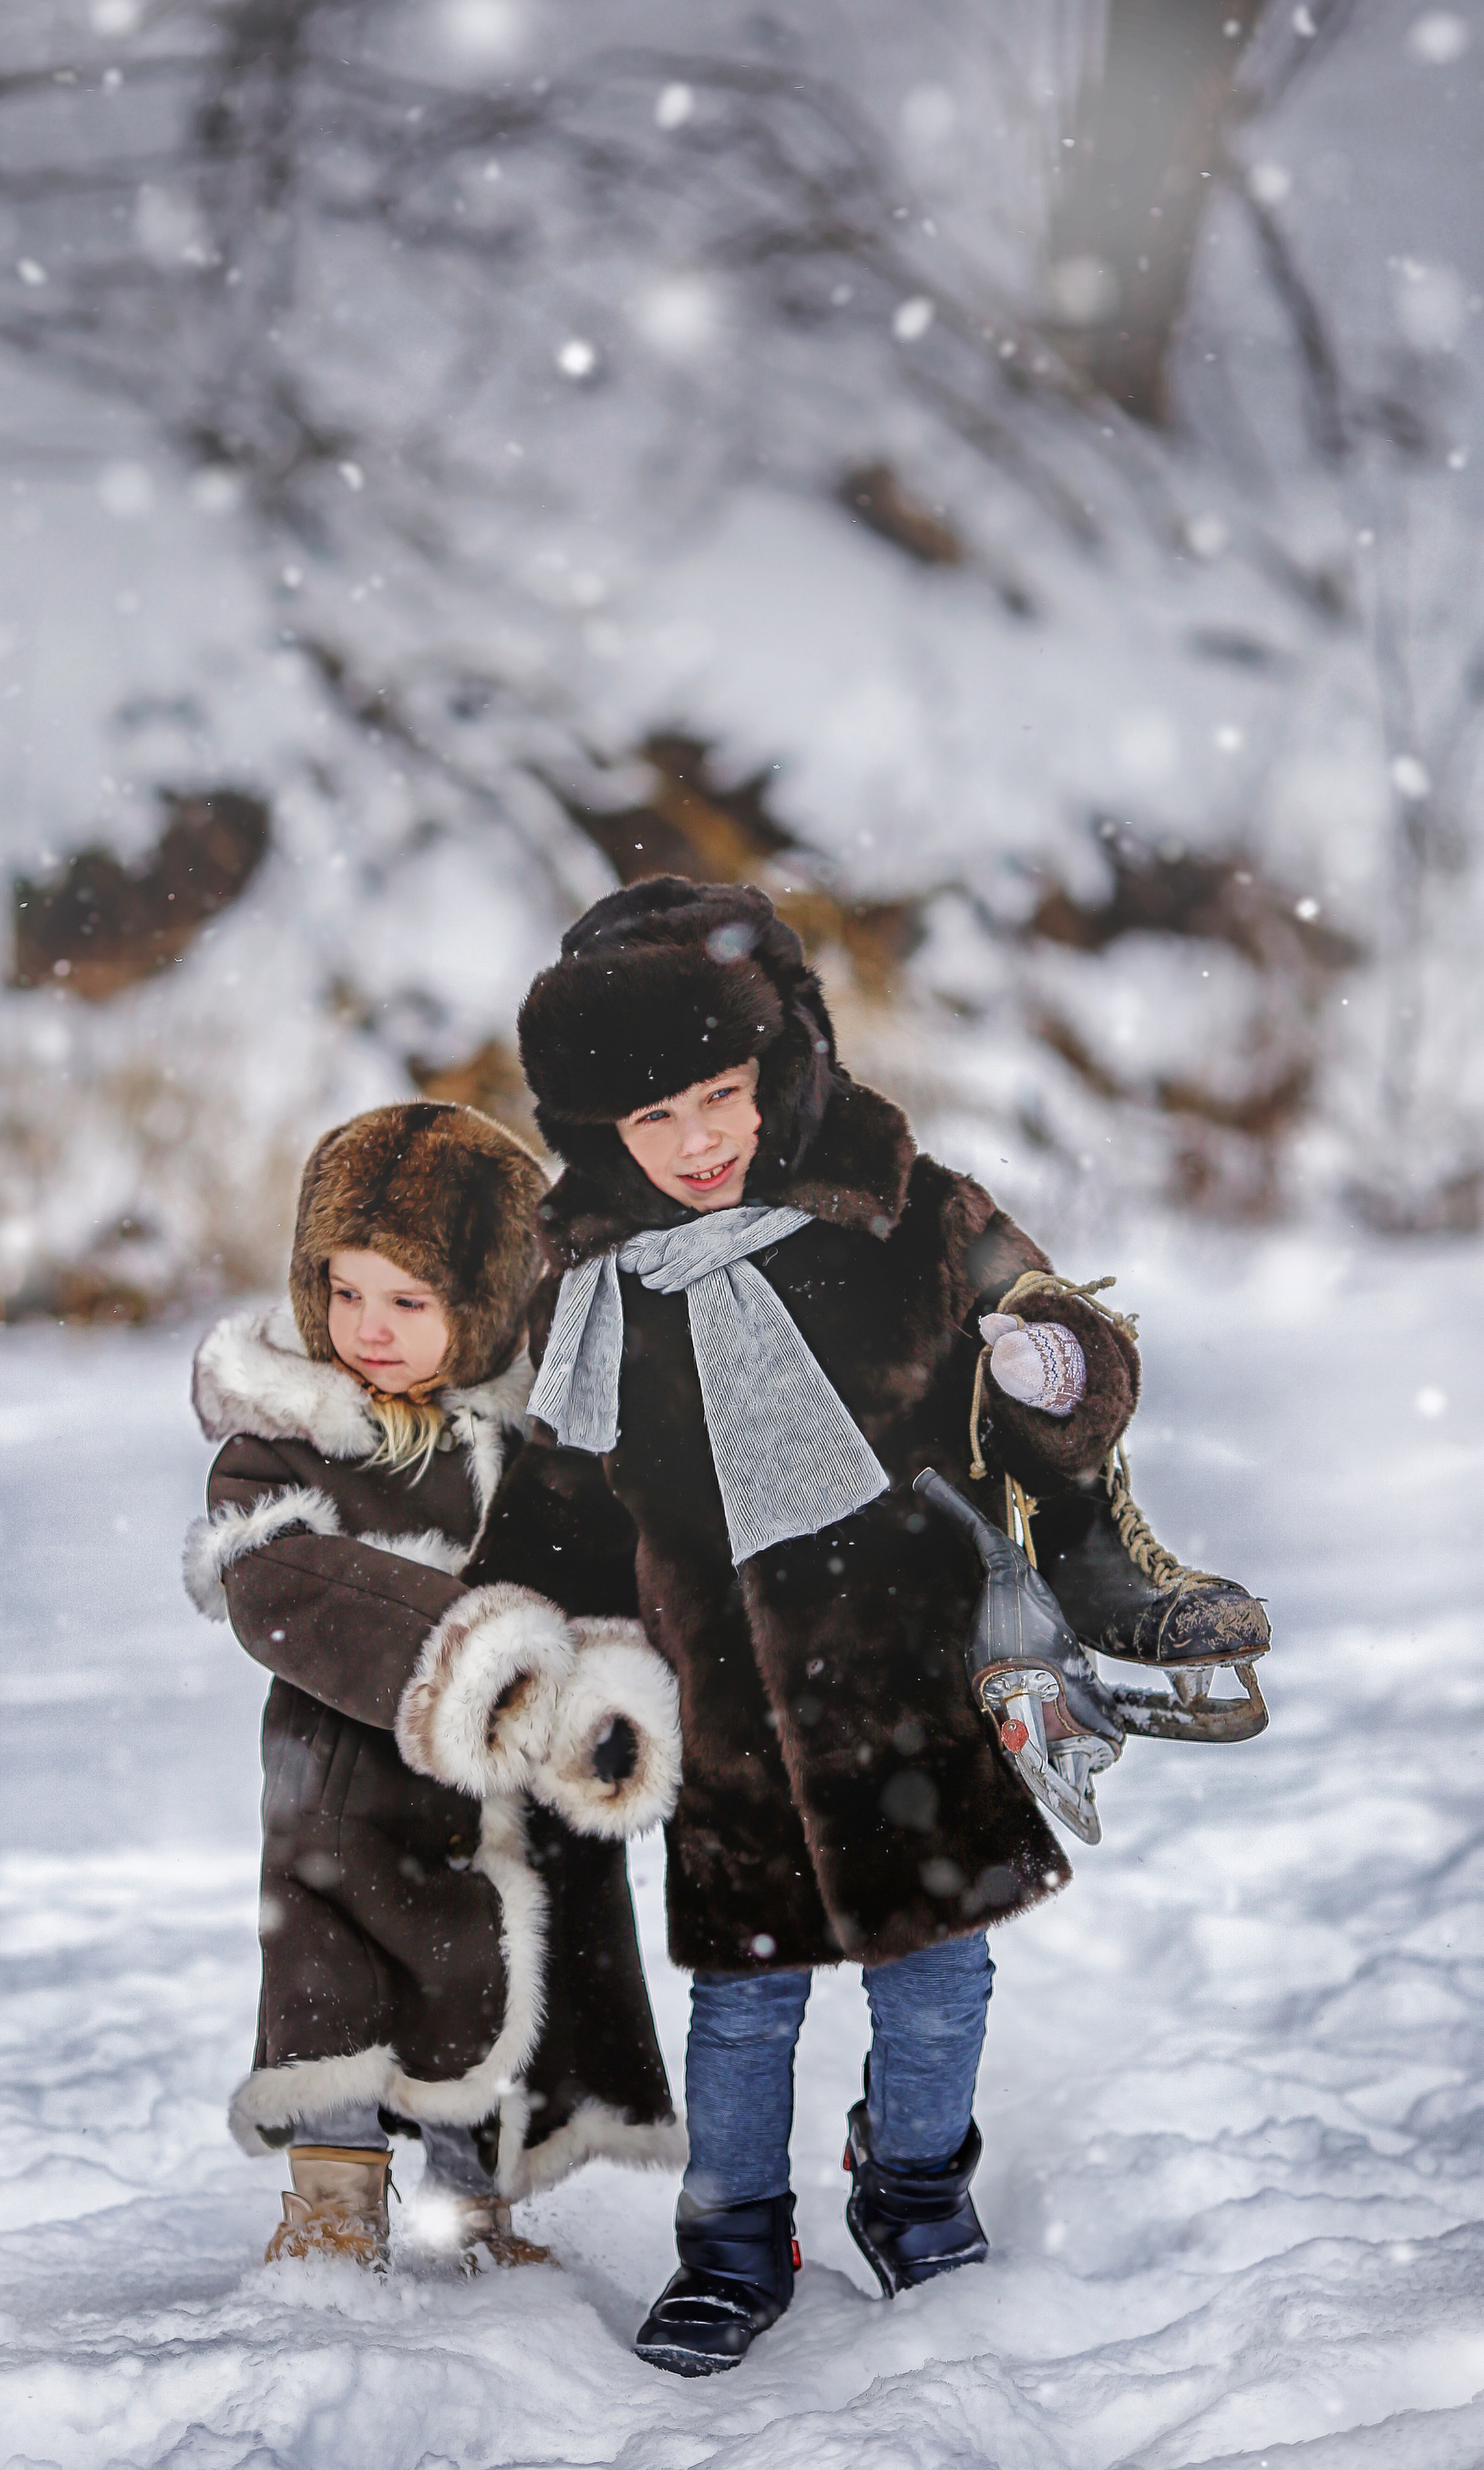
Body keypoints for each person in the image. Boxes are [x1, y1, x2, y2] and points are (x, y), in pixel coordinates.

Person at [471, 878, 1139, 2370]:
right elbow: (558, 1504)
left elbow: (1062, 1346)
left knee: (939, 1979)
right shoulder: (591, 1286)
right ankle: (729, 2243)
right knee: (742, 2003)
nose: (699, 1140)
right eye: (653, 1116)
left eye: (723, 1091)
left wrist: (1051, 1369)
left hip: (918, 1683)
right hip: (723, 1710)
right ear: (597, 1129)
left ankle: (914, 2189)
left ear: (783, 1059)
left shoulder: (907, 1208)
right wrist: (536, 1661)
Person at [183, 1100, 686, 2271]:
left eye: (409, 1302)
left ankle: (473, 2214)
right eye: (345, 1292)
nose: (369, 1328)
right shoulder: (286, 1437)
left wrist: (597, 1698)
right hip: (343, 1794)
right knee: (333, 1995)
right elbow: (277, 1581)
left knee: (489, 1992)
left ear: (491, 1299)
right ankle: (333, 2209)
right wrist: (477, 1655)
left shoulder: (539, 1447)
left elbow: (601, 1579)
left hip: (501, 1806)